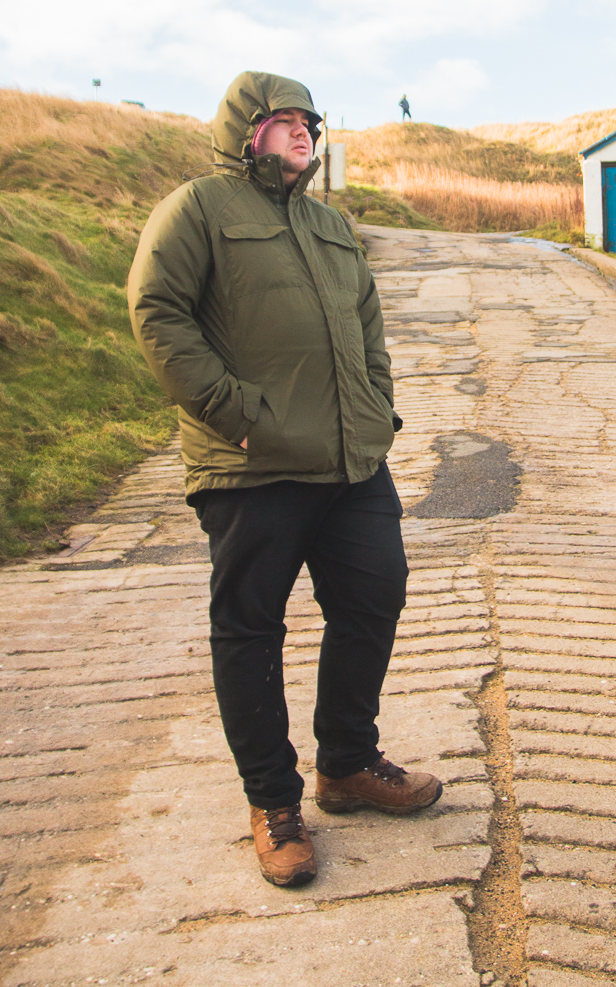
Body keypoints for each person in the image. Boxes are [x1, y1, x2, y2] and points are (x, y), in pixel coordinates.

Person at [127, 71, 441, 888]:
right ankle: (273, 803)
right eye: (283, 121)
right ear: (244, 132)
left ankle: (346, 763)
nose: (302, 132)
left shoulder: (331, 225)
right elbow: (157, 309)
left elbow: (369, 323)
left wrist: (377, 407)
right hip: (251, 463)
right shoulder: (198, 207)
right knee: (251, 630)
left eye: (309, 120)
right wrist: (232, 411)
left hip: (351, 461)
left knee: (376, 596)